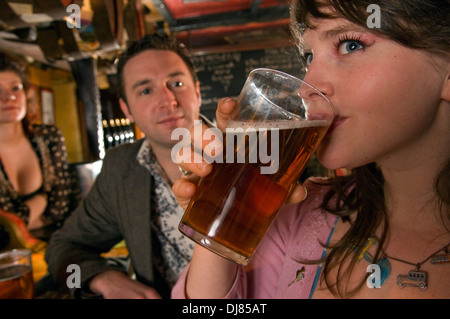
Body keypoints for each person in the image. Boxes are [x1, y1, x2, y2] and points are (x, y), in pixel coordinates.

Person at [171, 0, 450, 299]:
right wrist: (224, 202)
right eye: (309, 57)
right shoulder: (306, 215)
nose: (307, 87)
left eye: (351, 45)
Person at [45, 33, 203, 299]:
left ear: (197, 92)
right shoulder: (121, 169)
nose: (168, 100)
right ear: (127, 110)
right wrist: (103, 278)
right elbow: (63, 247)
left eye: (176, 82)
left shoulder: (243, 154)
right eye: (145, 90)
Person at [0, 52, 79, 242]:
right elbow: (4, 232)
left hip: (60, 244)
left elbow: (61, 209)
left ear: (26, 94)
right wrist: (42, 199)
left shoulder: (48, 137)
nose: (9, 97)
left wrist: (23, 218)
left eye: (15, 88)